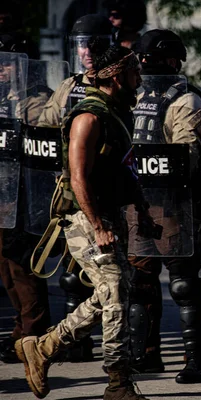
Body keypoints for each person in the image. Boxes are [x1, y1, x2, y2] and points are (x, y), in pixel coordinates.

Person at [14, 39, 152, 400]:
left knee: (110, 291)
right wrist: (101, 227)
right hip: (85, 217)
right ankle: (118, 383)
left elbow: (126, 170)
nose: (140, 76)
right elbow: (78, 178)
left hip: (110, 214)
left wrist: (141, 211)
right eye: (134, 70)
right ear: (116, 76)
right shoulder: (88, 117)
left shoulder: (119, 110)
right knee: (117, 292)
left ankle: (44, 347)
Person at [127, 29, 201, 384]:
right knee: (140, 282)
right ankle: (144, 355)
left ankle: (197, 358)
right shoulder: (133, 95)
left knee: (183, 283)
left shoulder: (185, 100)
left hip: (176, 203)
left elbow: (187, 158)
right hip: (138, 203)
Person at [37, 13, 113, 363]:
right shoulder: (71, 85)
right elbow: (48, 118)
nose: (84, 52)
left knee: (117, 281)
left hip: (108, 193)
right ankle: (74, 345)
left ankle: (138, 350)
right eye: (79, 45)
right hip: (72, 195)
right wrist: (21, 99)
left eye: (89, 45)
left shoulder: (117, 84)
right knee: (74, 276)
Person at [0, 32, 51, 364]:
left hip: (26, 197)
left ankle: (33, 335)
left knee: (23, 268)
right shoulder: (4, 99)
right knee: (6, 269)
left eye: (6, 65)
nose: (2, 72)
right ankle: (20, 330)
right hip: (4, 193)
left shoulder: (39, 102)